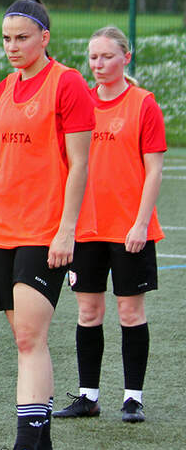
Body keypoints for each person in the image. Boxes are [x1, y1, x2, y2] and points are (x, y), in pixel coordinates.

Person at [0, 0, 94, 450]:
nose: (13, 47)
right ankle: (43, 445)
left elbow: (80, 164)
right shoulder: (2, 90)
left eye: (22, 38)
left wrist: (66, 230)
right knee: (26, 340)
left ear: (44, 37)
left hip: (44, 231)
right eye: (6, 39)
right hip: (3, 230)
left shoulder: (68, 84)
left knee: (28, 338)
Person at [54, 27, 165, 424]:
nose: (98, 65)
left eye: (107, 57)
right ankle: (88, 396)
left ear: (126, 59)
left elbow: (154, 171)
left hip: (130, 229)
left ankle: (133, 398)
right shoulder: (79, 103)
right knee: (88, 311)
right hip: (85, 227)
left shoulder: (143, 104)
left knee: (131, 313)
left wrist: (139, 223)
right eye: (93, 57)